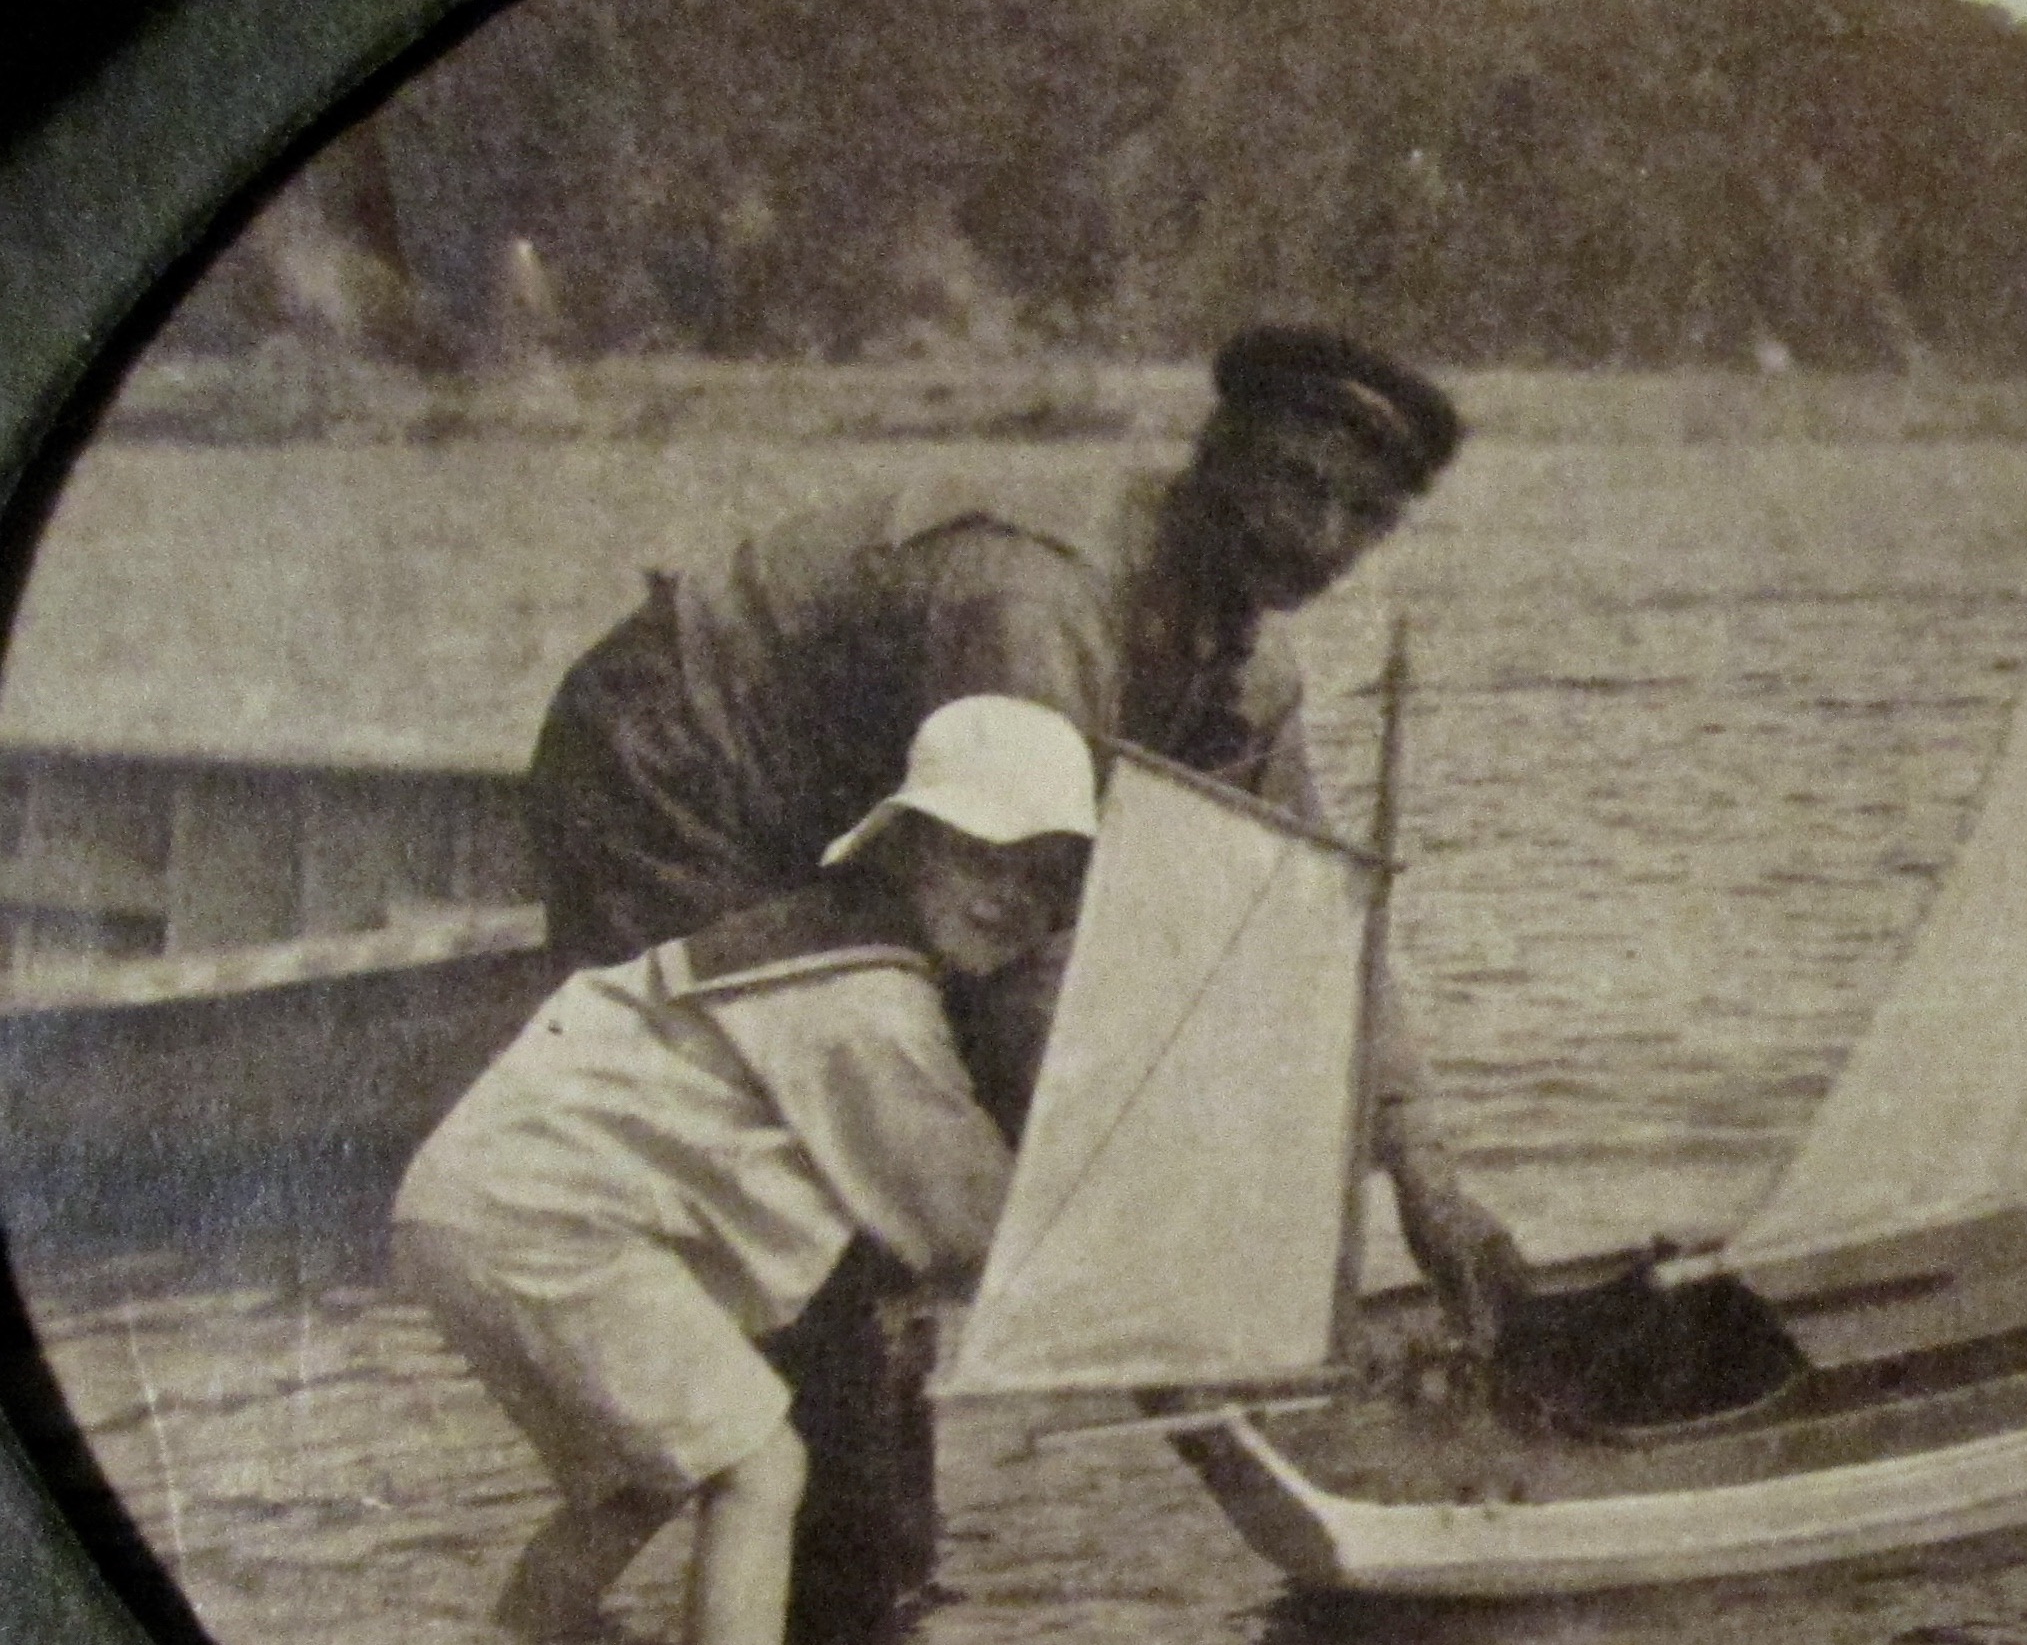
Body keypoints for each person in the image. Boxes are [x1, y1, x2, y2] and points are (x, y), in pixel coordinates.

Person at [525, 324, 1523, 1320]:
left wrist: (1419, 1167)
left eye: (1366, 516)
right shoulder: (1035, 605)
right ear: (1217, 456)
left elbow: (1311, 922)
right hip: (675, 758)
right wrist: (1144, 1252)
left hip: (847, 807)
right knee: (762, 1143)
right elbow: (1003, 947)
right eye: (1300, 488)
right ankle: (766, 1444)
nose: (1324, 541)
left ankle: (842, 1428)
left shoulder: (1246, 676)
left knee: (893, 1162)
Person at [395, 698, 1096, 1645]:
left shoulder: (829, 944)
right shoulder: (868, 1002)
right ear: (910, 850)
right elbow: (972, 1235)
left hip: (471, 1205)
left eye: (1046, 879)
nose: (1010, 898)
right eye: (982, 857)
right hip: (540, 1219)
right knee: (759, 1467)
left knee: (642, 1480)